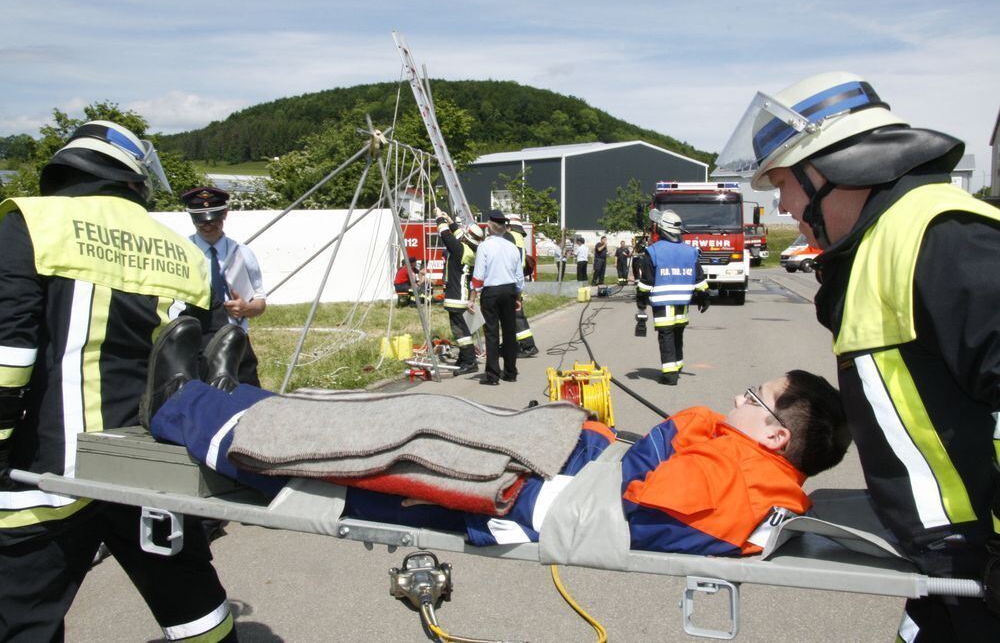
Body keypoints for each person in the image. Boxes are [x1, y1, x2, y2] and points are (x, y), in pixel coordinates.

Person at [715, 70, 1000, 640]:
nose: (781, 206)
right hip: (940, 560)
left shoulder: (947, 238)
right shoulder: (881, 243)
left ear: (826, 170)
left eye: (783, 185)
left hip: (979, 560)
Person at [143, 341, 849, 557]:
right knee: (406, 410)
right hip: (555, 461)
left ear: (776, 434)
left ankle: (183, 407)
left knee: (368, 444)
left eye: (751, 399)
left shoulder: (744, 482)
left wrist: (680, 428)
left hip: (523, 490)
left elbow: (639, 507)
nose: (736, 402)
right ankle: (230, 396)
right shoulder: (749, 467)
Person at [0, 121, 236, 641]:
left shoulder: (32, 223)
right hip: (151, 465)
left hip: (46, 470)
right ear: (133, 175)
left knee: (22, 617)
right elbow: (224, 360)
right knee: (195, 605)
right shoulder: (185, 251)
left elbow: (8, 353)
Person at [182, 186, 267, 387]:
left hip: (235, 340)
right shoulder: (183, 253)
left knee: (247, 400)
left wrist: (247, 308)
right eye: (200, 221)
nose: (207, 226)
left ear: (225, 214)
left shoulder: (243, 253)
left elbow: (260, 301)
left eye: (213, 220)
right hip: (195, 343)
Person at [636, 210, 710, 385]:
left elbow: (647, 280)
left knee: (666, 335)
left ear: (661, 228)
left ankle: (670, 375)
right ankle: (677, 365)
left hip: (663, 302)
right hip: (683, 303)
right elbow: (699, 278)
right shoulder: (690, 251)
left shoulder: (653, 251)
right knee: (678, 334)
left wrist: (641, 299)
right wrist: (704, 297)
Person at [468, 210, 524, 385]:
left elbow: (478, 275)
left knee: (492, 333)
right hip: (509, 291)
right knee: (509, 332)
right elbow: (519, 276)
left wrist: (472, 297)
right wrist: (518, 297)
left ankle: (493, 375)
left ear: (490, 227)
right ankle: (510, 372)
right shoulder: (513, 247)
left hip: (491, 292)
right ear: (504, 229)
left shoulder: (485, 246)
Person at [435, 209, 483, 375]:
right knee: (462, 329)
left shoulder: (460, 249)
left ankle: (469, 362)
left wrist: (439, 218)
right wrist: (450, 220)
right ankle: (464, 358)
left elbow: (446, 235)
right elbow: (457, 235)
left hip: (456, 297)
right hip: (460, 295)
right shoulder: (468, 251)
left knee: (460, 332)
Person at [504, 216, 539, 358]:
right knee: (512, 316)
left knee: (516, 316)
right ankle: (514, 344)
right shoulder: (519, 239)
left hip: (510, 282)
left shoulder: (510, 237)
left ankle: (528, 346)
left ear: (509, 227)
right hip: (515, 282)